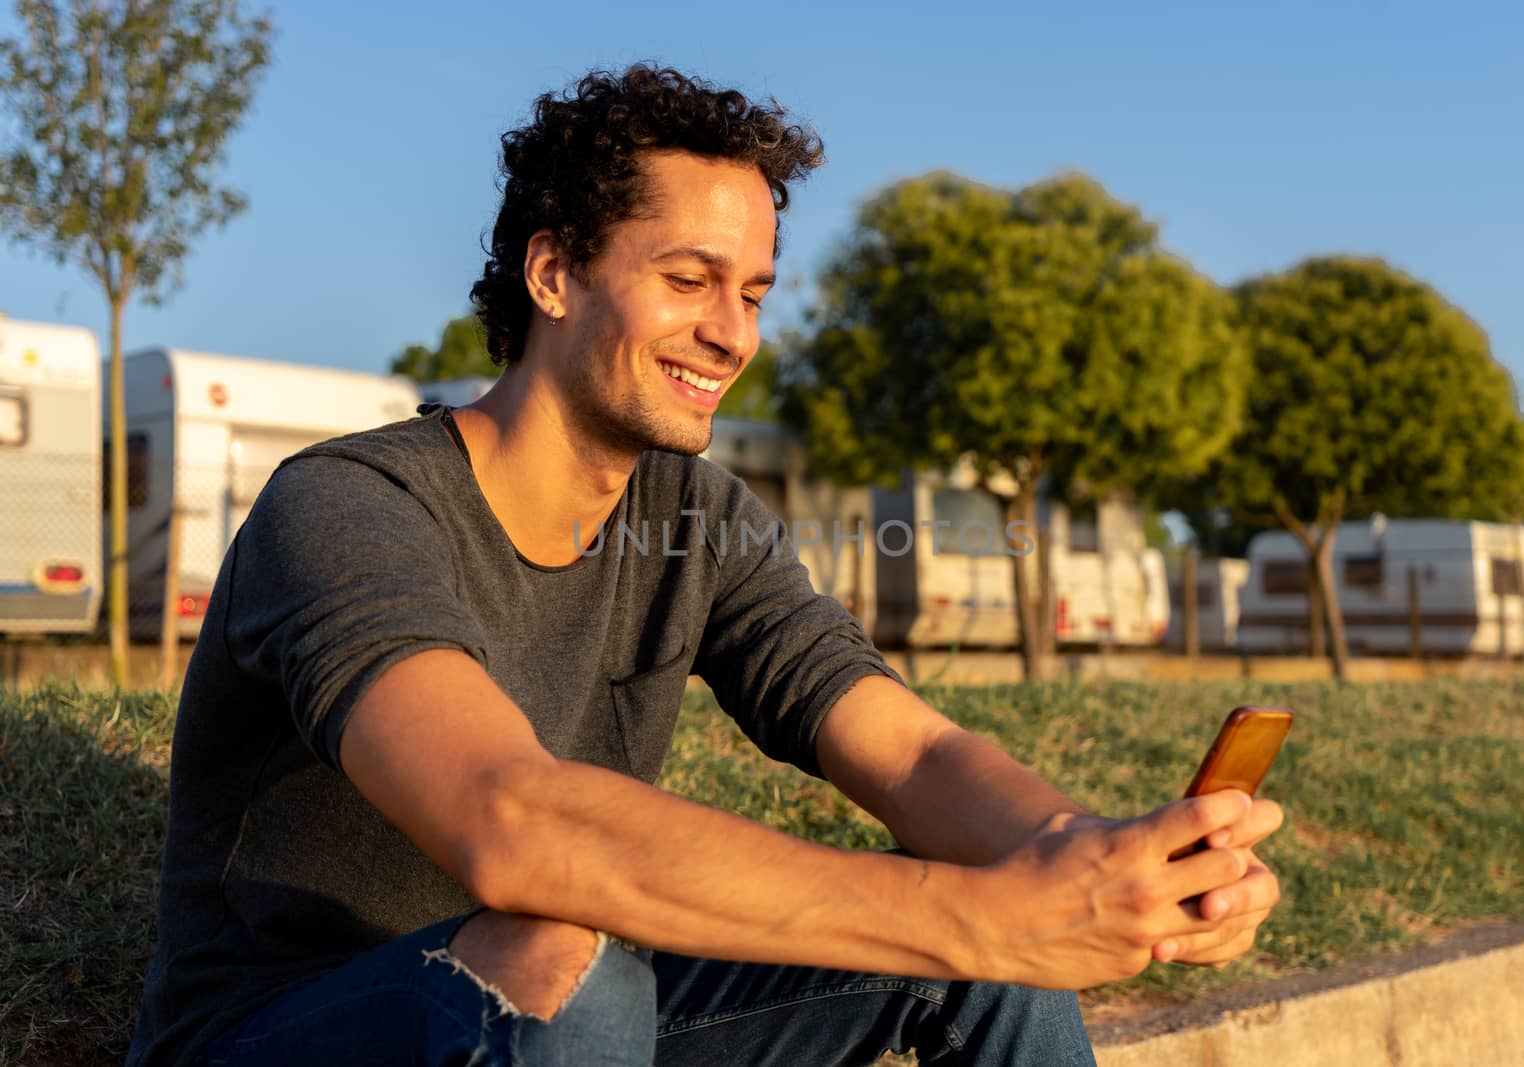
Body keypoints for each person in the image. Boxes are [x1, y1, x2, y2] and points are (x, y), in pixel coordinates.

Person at [126, 64, 1283, 1067]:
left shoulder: (697, 516)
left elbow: (911, 745)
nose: (733, 332)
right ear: (553, 275)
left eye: (752, 291)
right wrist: (980, 911)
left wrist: (1087, 861)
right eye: (687, 280)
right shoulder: (346, 503)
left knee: (991, 953)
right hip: (286, 1029)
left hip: (568, 1014)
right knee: (566, 946)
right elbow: (511, 818)